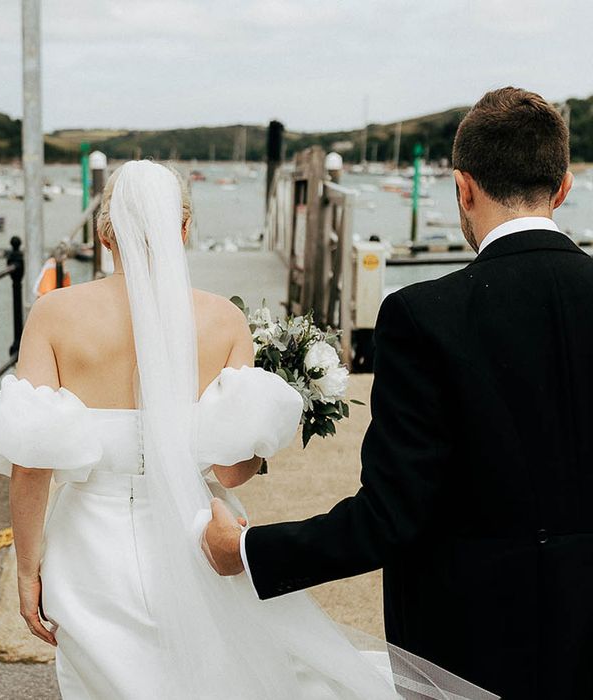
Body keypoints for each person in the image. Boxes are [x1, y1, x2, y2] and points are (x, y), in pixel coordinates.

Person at [0, 160, 492, 699]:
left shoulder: (55, 314)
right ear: (183, 229)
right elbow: (232, 471)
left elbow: (30, 464)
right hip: (195, 538)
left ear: (105, 233)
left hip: (90, 554)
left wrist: (29, 570)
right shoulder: (223, 320)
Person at [205, 87, 593, 699]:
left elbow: (391, 517)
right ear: (564, 188)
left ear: (462, 188)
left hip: (466, 648)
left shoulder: (424, 315)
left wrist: (250, 551)